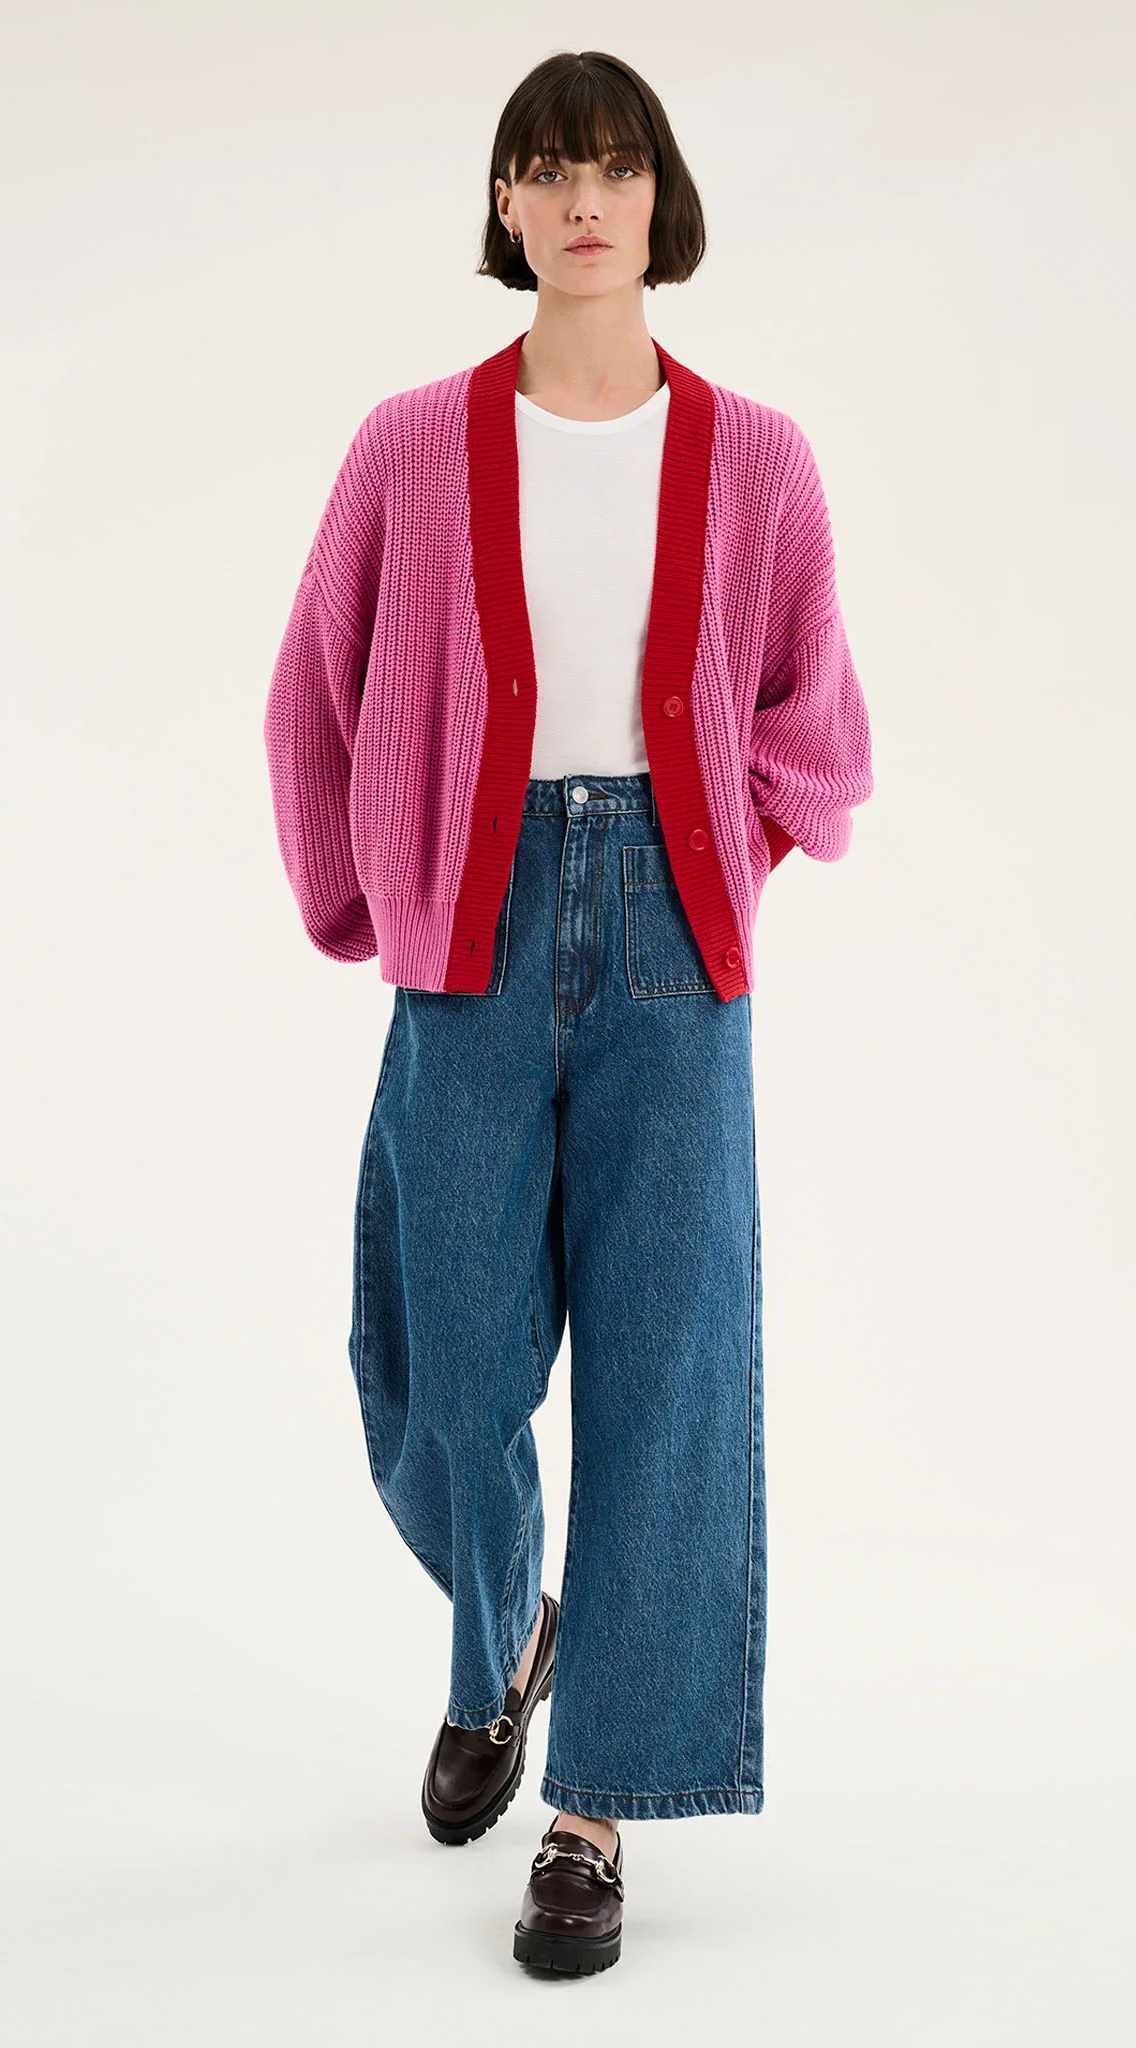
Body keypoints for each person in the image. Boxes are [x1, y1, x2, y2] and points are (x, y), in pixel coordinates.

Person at [263, 48, 874, 1975]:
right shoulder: (407, 448)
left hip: (671, 946)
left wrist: (724, 856)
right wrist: (376, 898)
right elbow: (314, 690)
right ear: (507, 206)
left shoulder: (759, 457)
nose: (583, 200)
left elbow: (818, 724)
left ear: (658, 197)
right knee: (443, 1364)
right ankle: (503, 1640)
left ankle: (596, 1807)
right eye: (547, 169)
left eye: (614, 167)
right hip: (473, 927)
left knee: (668, 1372)